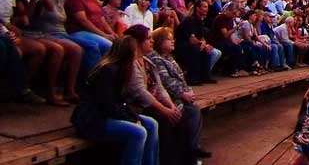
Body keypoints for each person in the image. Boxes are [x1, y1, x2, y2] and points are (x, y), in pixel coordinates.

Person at [72, 36, 160, 165]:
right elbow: (107, 105)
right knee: (139, 132)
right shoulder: (108, 70)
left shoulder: (122, 68)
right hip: (93, 120)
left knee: (151, 123)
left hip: (109, 114)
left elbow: (121, 103)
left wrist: (134, 117)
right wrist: (132, 120)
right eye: (135, 51)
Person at [148, 26, 213, 161]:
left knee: (194, 108)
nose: (173, 42)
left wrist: (188, 91)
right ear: (160, 41)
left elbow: (180, 79)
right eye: (169, 39)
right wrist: (183, 94)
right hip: (167, 97)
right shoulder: (155, 58)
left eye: (173, 39)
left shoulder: (169, 58)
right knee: (189, 111)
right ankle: (188, 151)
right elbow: (165, 81)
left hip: (178, 94)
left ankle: (192, 147)